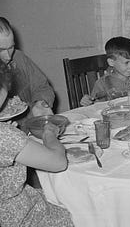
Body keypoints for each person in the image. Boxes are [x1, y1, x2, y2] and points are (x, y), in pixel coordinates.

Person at [0, 60, 74, 227]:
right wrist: (49, 133)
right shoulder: (4, 136)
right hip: (19, 217)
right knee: (77, 205)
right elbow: (58, 162)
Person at [0, 17, 54, 121]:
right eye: (1, 50)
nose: (8, 56)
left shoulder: (19, 57)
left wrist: (40, 103)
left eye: (10, 48)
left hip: (28, 126)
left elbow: (42, 87)